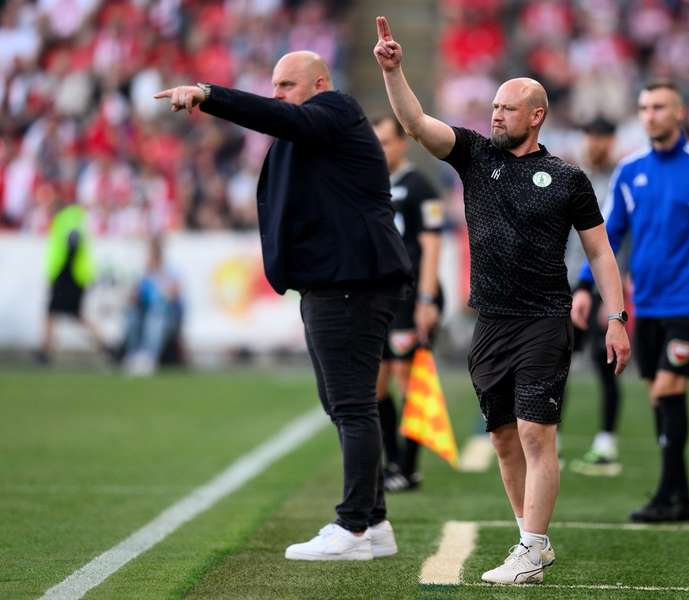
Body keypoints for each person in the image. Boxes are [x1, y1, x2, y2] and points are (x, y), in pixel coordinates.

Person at [374, 16, 630, 585]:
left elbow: (602, 254)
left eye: (507, 109)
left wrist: (616, 318)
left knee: (537, 432)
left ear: (535, 115)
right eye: (493, 107)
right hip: (489, 321)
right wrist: (393, 71)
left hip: (544, 318)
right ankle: (529, 540)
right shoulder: (473, 156)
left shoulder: (567, 179)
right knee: (502, 438)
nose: (495, 115)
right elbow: (415, 124)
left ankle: (532, 546)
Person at [154, 50, 412, 561]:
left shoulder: (336, 110)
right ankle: (375, 524)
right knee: (344, 404)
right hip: (335, 281)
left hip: (351, 281)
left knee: (352, 405)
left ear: (319, 83)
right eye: (272, 84)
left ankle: (356, 527)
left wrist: (210, 94)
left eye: (286, 84)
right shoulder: (312, 130)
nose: (276, 94)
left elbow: (283, 118)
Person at [573, 79, 689, 523]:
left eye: (659, 106)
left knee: (667, 389)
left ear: (679, 112)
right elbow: (608, 237)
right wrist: (586, 285)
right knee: (659, 399)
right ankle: (679, 498)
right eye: (644, 107)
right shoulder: (630, 172)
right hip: (646, 303)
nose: (650, 115)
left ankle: (668, 495)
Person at [371, 115, 444, 492]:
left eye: (386, 141)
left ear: (402, 143)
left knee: (407, 378)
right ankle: (390, 462)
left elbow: (432, 244)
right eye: (375, 142)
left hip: (410, 295)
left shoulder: (419, 186)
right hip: (379, 297)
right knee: (378, 383)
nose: (380, 149)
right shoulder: (368, 183)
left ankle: (408, 466)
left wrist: (427, 299)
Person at [568, 118, 624, 477]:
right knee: (555, 363)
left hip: (603, 286)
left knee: (604, 365)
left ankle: (606, 441)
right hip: (568, 282)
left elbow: (621, 239)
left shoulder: (621, 180)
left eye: (602, 136)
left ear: (611, 140)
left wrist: (613, 297)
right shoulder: (571, 175)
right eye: (590, 134)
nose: (596, 142)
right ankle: (548, 436)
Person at [37, 199, 108, 364]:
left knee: (54, 312)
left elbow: (72, 243)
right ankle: (103, 344)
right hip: (74, 276)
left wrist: (62, 274)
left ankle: (46, 350)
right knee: (65, 313)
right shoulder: (75, 218)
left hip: (68, 276)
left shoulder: (65, 219)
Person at [121, 236, 184, 376]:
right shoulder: (144, 273)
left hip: (166, 315)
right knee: (131, 315)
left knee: (156, 314)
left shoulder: (170, 271)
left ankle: (149, 357)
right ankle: (133, 355)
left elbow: (175, 295)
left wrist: (161, 287)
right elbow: (133, 297)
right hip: (144, 312)